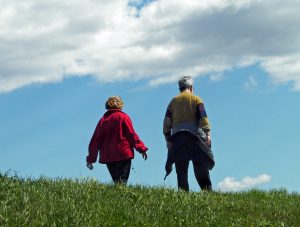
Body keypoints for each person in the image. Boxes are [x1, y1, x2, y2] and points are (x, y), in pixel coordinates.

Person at [163, 76, 214, 191]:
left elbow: (167, 121)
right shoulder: (196, 99)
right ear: (191, 87)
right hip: (195, 137)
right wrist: (208, 134)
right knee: (200, 166)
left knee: (181, 168)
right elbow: (203, 117)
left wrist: (168, 138)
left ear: (180, 88)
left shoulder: (173, 101)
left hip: (178, 138)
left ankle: (183, 194)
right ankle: (207, 192)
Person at [86, 96, 148, 185]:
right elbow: (132, 135)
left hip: (108, 156)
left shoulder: (103, 120)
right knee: (122, 182)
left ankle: (119, 197)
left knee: (117, 182)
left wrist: (91, 158)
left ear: (107, 106)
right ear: (120, 105)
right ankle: (122, 197)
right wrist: (142, 148)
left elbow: (95, 140)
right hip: (123, 154)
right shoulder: (123, 117)